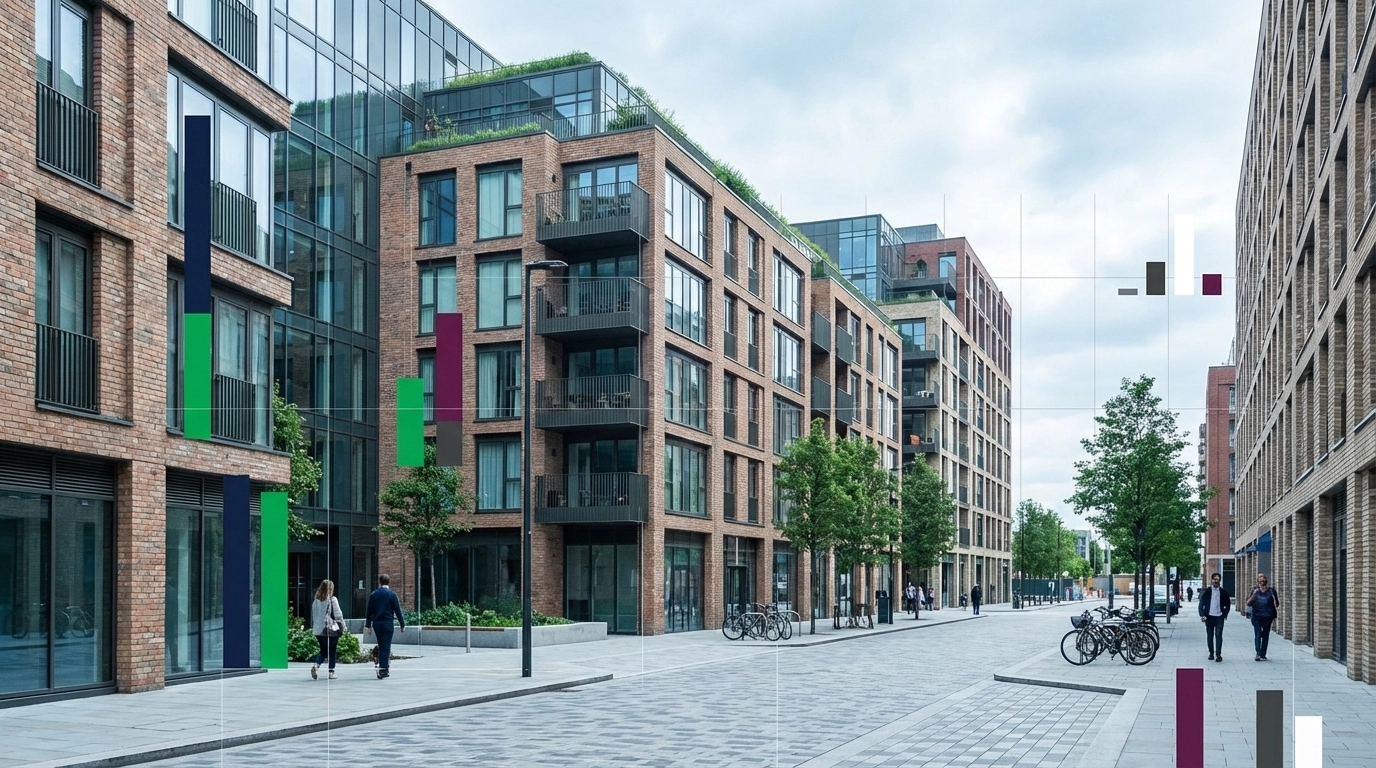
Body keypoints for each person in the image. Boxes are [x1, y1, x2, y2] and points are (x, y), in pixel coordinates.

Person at [364, 574, 406, 679]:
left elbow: (369, 611)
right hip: (388, 623)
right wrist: (402, 624)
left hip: (377, 624)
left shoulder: (373, 595)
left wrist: (368, 625)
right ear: (389, 582)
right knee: (385, 647)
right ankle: (383, 669)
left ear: (380, 582)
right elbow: (397, 610)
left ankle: (382, 666)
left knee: (381, 645)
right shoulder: (392, 595)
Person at [310, 579, 344, 680]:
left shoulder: (315, 601)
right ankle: (331, 672)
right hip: (330, 629)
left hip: (318, 630)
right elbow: (338, 615)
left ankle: (316, 665)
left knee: (323, 651)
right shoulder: (332, 600)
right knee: (332, 651)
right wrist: (343, 626)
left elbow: (314, 616)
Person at [1198, 572, 1231, 662]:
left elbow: (1228, 604)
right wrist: (1202, 615)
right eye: (1214, 579)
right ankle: (1211, 653)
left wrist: (1225, 614)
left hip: (1219, 616)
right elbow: (1201, 604)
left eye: (1218, 579)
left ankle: (1218, 654)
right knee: (1210, 635)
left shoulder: (1223, 592)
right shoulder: (1207, 591)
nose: (1216, 581)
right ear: (1212, 580)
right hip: (1209, 616)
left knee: (1218, 635)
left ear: (1220, 580)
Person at [1246, 573, 1279, 661]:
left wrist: (1275, 600)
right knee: (1257, 633)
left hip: (1268, 616)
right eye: (1260, 579)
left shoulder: (1271, 591)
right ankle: (1258, 653)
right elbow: (1248, 603)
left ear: (1266, 581)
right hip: (1256, 616)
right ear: (1258, 581)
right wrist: (1254, 595)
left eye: (1263, 579)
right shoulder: (1254, 590)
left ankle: (1263, 654)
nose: (1262, 581)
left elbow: (1277, 603)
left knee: (1265, 635)